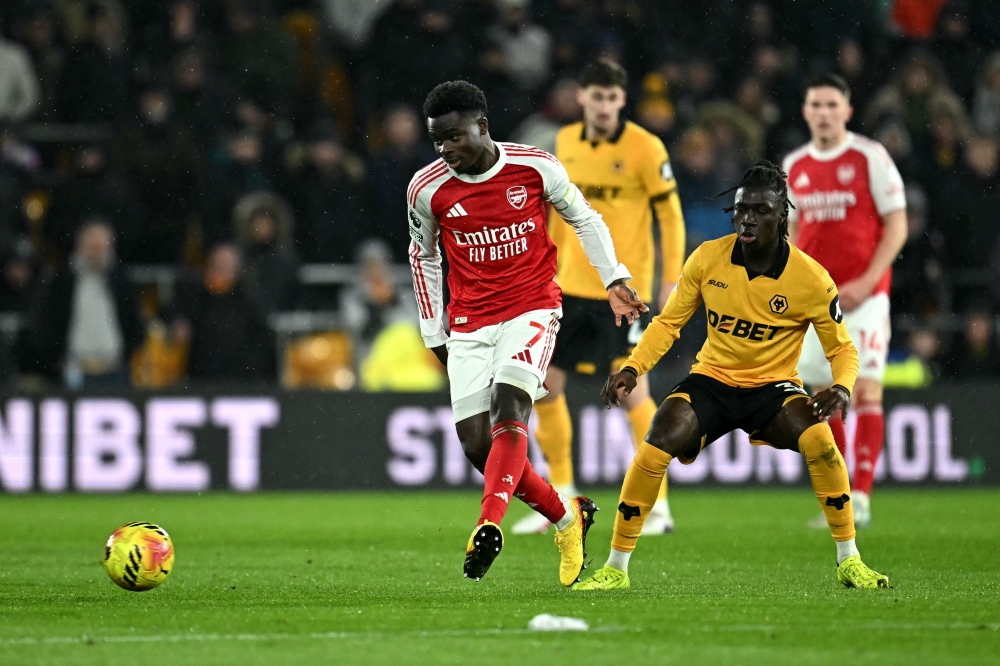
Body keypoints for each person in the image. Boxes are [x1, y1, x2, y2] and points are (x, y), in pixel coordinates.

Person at [574, 161, 890, 591]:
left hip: (773, 388)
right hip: (712, 381)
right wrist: (633, 367)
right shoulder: (707, 258)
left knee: (822, 441)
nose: (748, 218)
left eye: (760, 210)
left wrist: (841, 387)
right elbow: (668, 323)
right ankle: (615, 568)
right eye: (742, 210)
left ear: (783, 216)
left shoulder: (811, 279)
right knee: (657, 439)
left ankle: (849, 559)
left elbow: (842, 348)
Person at [407, 81, 646, 584]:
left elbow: (583, 218)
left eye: (454, 137)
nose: (446, 149)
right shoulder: (426, 189)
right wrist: (433, 329)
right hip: (469, 321)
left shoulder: (533, 165)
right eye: (437, 140)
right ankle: (567, 516)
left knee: (510, 405)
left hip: (532, 306)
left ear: (483, 127)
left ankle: (487, 524)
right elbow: (422, 256)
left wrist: (614, 278)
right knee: (477, 445)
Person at [512, 59, 686, 536]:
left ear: (622, 101)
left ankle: (658, 505)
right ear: (582, 97)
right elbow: (551, 210)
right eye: (597, 96)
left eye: (613, 98)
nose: (605, 106)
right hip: (567, 285)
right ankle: (561, 502)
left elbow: (670, 217)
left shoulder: (646, 148)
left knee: (633, 391)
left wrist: (671, 280)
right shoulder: (564, 142)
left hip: (623, 289)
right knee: (546, 385)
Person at [783, 73, 907, 530]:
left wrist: (868, 280)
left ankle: (866, 496)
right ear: (805, 110)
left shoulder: (870, 157)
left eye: (832, 105)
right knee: (820, 398)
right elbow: (792, 236)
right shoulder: (794, 165)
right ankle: (841, 499)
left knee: (867, 389)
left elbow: (897, 225)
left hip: (865, 297)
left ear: (848, 111)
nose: (824, 113)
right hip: (816, 303)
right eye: (816, 104)